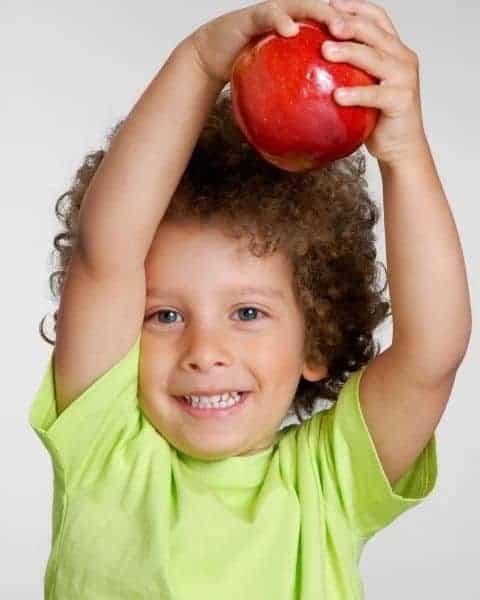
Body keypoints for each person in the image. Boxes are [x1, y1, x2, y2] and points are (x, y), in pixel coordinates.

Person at [29, 0, 472, 598]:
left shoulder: (326, 481)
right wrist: (197, 62)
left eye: (247, 313)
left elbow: (431, 354)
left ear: (315, 338)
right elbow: (104, 253)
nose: (204, 351)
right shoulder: (104, 448)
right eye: (164, 315)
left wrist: (404, 153)